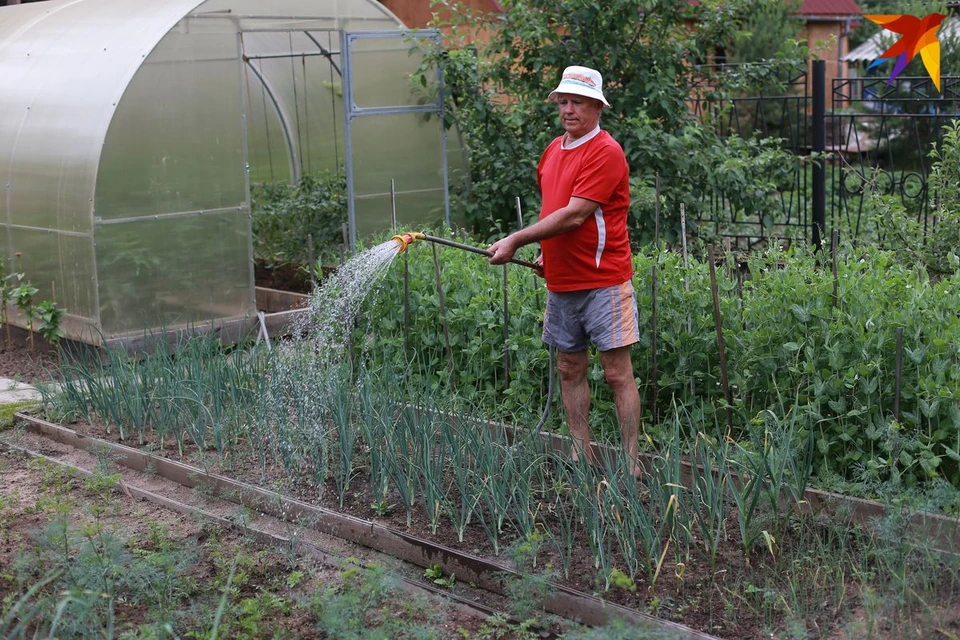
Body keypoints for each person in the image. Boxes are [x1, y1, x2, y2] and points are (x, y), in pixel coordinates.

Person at [488, 65, 640, 474]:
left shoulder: (606, 152)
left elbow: (575, 216)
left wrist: (517, 239)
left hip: (603, 280)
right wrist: (547, 254)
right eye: (564, 101)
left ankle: (631, 461)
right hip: (563, 281)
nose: (569, 109)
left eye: (578, 102)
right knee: (569, 368)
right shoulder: (553, 150)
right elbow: (553, 211)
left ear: (596, 106)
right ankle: (580, 452)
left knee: (616, 373)